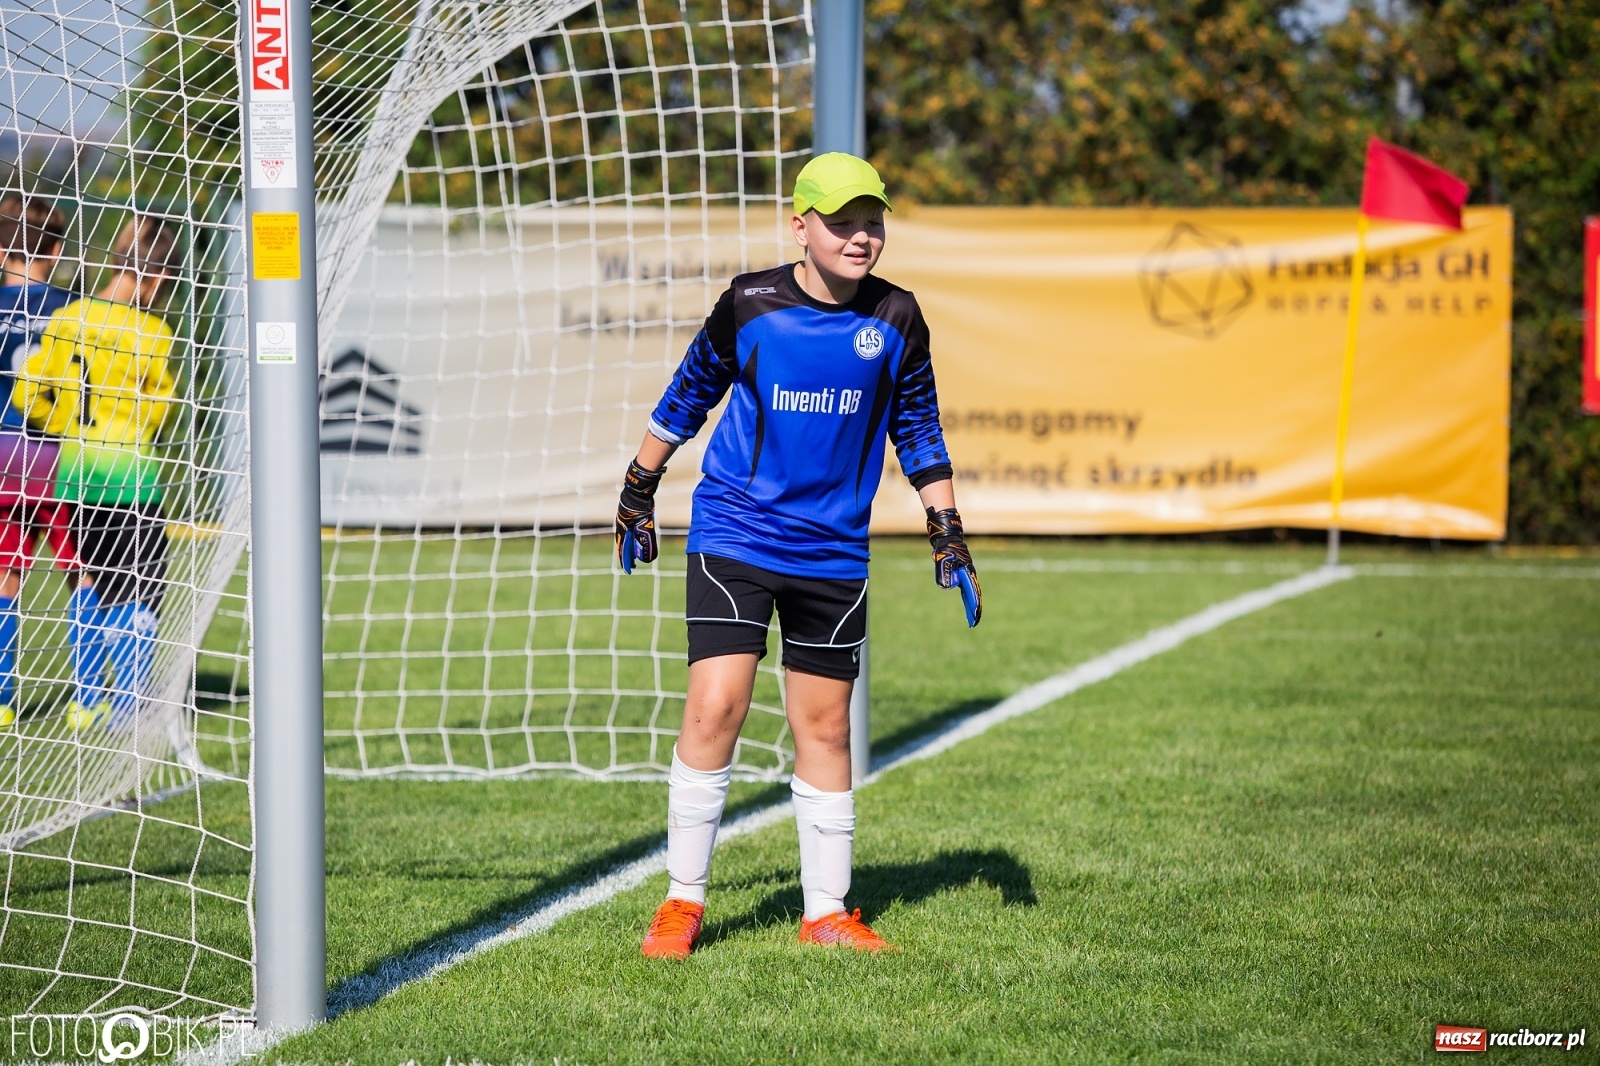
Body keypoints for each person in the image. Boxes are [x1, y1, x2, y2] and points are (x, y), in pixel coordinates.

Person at [615, 153, 982, 958]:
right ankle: (682, 904)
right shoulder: (748, 304)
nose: (861, 237)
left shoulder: (898, 316)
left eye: (872, 220)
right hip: (736, 533)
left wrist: (945, 528)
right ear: (801, 226)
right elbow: (688, 393)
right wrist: (640, 485)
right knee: (717, 706)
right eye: (843, 221)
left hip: (834, 549)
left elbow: (918, 427)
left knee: (825, 725)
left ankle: (827, 913)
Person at [16, 215, 181, 731]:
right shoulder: (152, 331)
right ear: (155, 281)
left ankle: (85, 703)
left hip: (77, 476)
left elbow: (26, 390)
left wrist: (65, 423)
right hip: (132, 478)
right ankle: (131, 706)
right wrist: (134, 422)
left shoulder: (68, 317)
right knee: (141, 589)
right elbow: (162, 404)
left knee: (89, 585)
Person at [0, 195, 96, 730]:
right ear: (57, 250)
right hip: (59, 454)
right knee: (81, 572)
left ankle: (2, 698)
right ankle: (85, 697)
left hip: (1, 454)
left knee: (5, 574)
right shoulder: (75, 311)